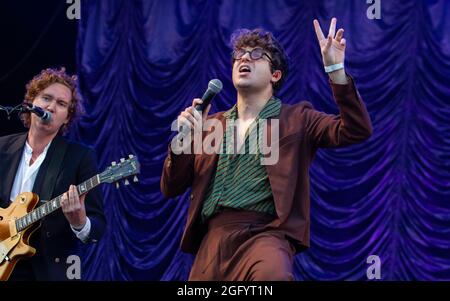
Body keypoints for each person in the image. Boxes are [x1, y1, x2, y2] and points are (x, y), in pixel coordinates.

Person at [161, 18, 372, 280]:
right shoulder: (211, 124)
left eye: (257, 54)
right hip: (212, 242)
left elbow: (356, 130)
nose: (244, 59)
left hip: (265, 236)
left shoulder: (297, 119)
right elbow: (170, 187)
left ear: (275, 74)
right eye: (239, 54)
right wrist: (182, 140)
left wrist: (336, 70)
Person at [0, 67, 106, 280]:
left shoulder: (79, 157)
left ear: (67, 117)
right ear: (30, 103)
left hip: (46, 269)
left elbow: (97, 227)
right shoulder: (2, 148)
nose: (51, 107)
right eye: (46, 98)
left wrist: (79, 222)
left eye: (61, 104)